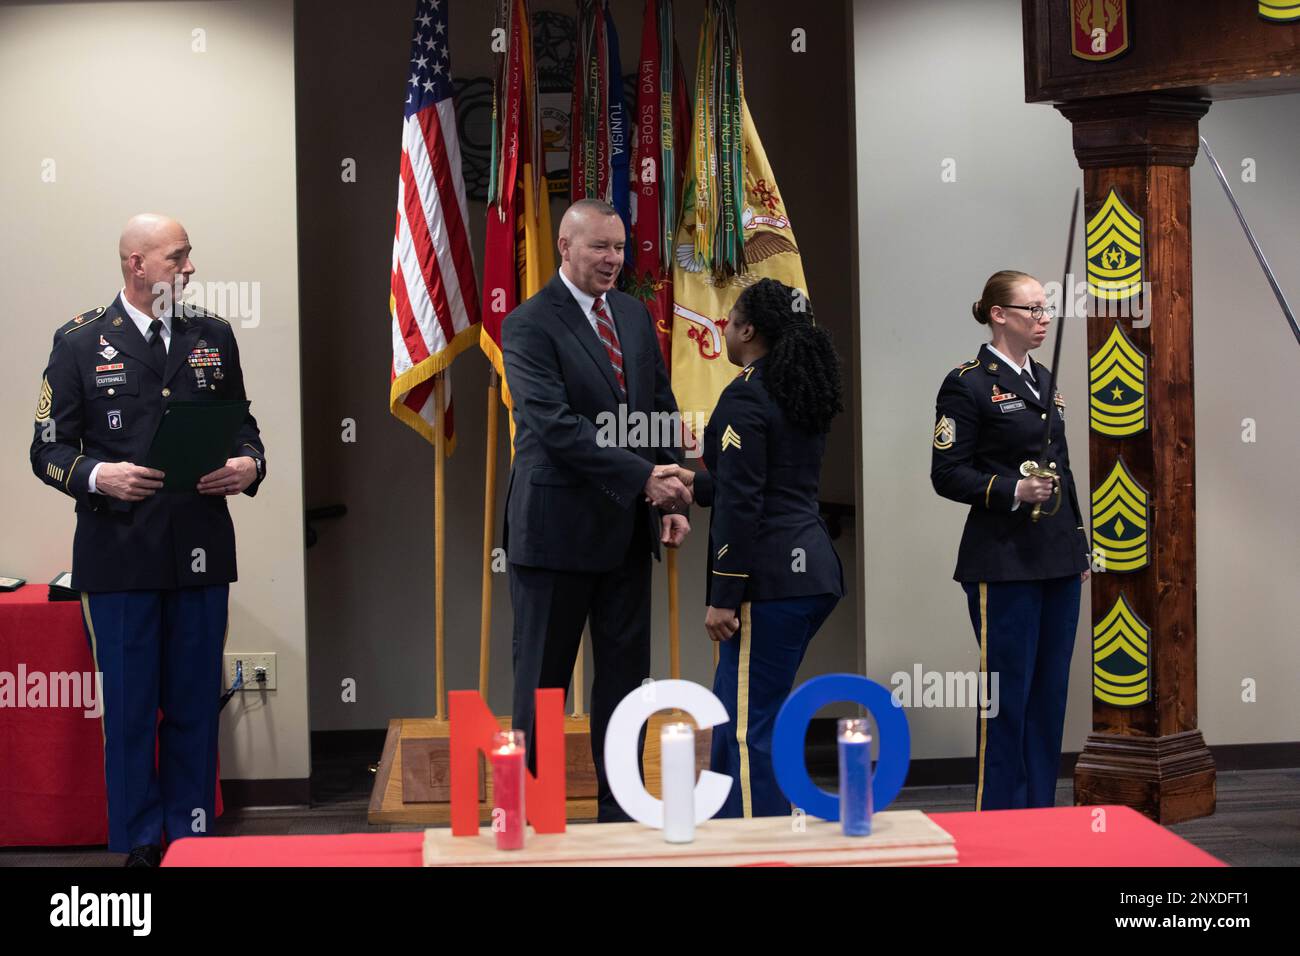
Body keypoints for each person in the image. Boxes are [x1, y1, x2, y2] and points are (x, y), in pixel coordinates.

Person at [30, 214, 266, 865]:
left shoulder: (211, 336)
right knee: (131, 714)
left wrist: (249, 464)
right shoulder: (79, 343)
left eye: (188, 257)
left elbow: (243, 427)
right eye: (176, 257)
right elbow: (46, 450)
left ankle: (191, 839)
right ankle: (138, 844)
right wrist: (99, 475)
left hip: (200, 553)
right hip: (119, 559)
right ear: (136, 264)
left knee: (193, 706)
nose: (189, 269)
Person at [501, 198, 691, 822]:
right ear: (565, 246)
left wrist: (671, 493)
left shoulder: (634, 316)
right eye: (600, 248)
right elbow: (556, 428)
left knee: (623, 682)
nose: (613, 260)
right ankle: (538, 814)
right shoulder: (529, 324)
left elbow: (658, 405)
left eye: (619, 248)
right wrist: (645, 479)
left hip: (626, 533)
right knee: (544, 685)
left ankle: (621, 812)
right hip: (554, 534)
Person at [670, 277, 845, 818]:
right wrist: (695, 483)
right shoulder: (796, 388)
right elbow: (765, 483)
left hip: (765, 584)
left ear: (747, 329)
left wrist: (724, 595)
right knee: (737, 713)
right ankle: (731, 831)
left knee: (750, 728)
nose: (722, 326)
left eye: (729, 319)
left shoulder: (747, 393)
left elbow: (744, 505)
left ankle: (758, 843)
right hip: (808, 573)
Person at [930, 269, 1090, 811]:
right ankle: (999, 822)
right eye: (1033, 309)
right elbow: (947, 473)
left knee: (1049, 700)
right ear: (999, 315)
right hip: (1003, 560)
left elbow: (1064, 470)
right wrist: (1014, 489)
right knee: (1008, 700)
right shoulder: (968, 383)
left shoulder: (1045, 381)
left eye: (1047, 310)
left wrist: (1080, 544)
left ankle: (1040, 818)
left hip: (1058, 560)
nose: (1044, 318)